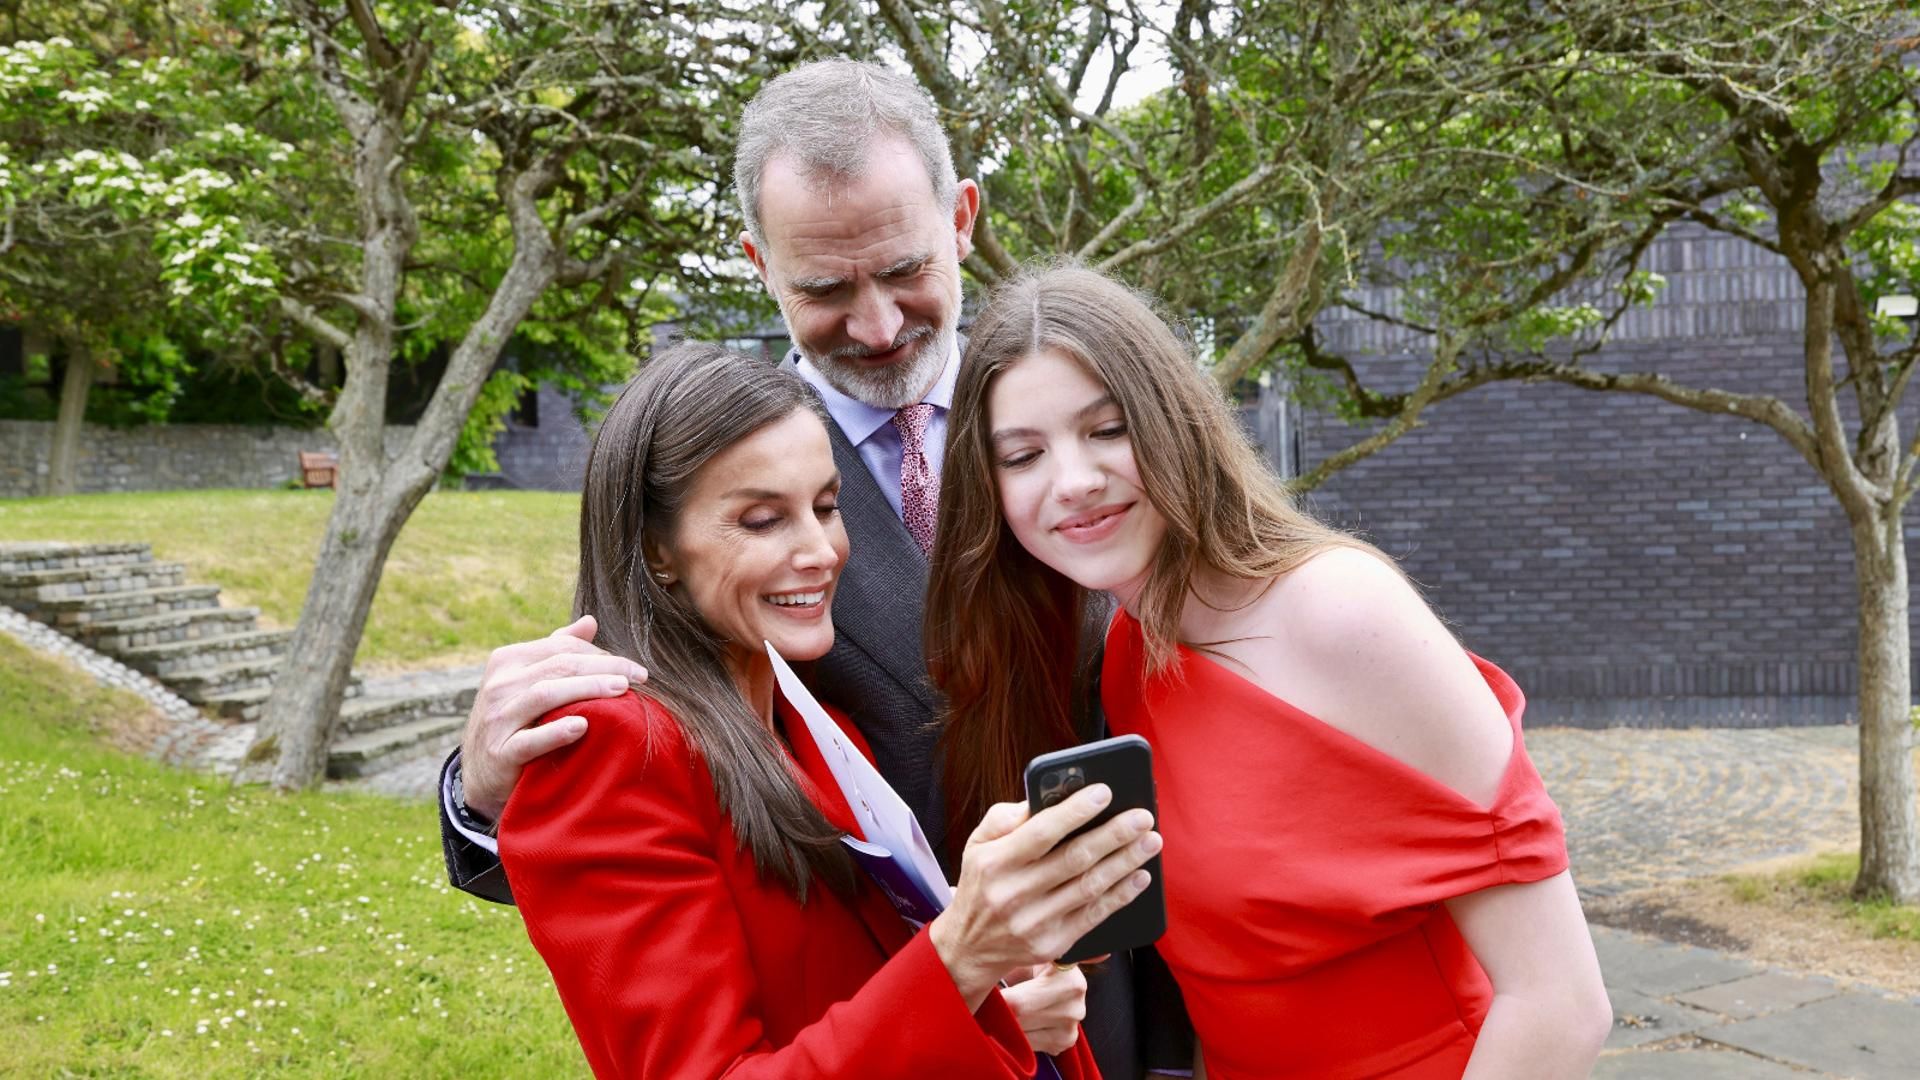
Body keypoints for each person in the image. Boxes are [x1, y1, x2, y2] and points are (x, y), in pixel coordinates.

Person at [436, 60, 1193, 1078]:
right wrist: (481, 798)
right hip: (901, 1029)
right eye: (827, 288)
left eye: (905, 270)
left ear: (962, 217)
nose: (878, 326)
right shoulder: (702, 467)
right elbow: (646, 747)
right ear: (759, 262)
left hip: (1156, 1002)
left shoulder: (1089, 419)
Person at [924, 265, 1614, 1080]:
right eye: (1025, 455)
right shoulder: (1124, 650)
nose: (1073, 481)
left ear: (1173, 421)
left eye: (1108, 430)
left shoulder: (1341, 612)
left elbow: (1562, 1003)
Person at [500, 340, 1154, 1078]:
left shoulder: (808, 714)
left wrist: (995, 991)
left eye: (825, 506)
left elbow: (851, 988)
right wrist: (963, 957)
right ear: (658, 552)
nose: (821, 550)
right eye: (761, 520)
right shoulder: (613, 751)